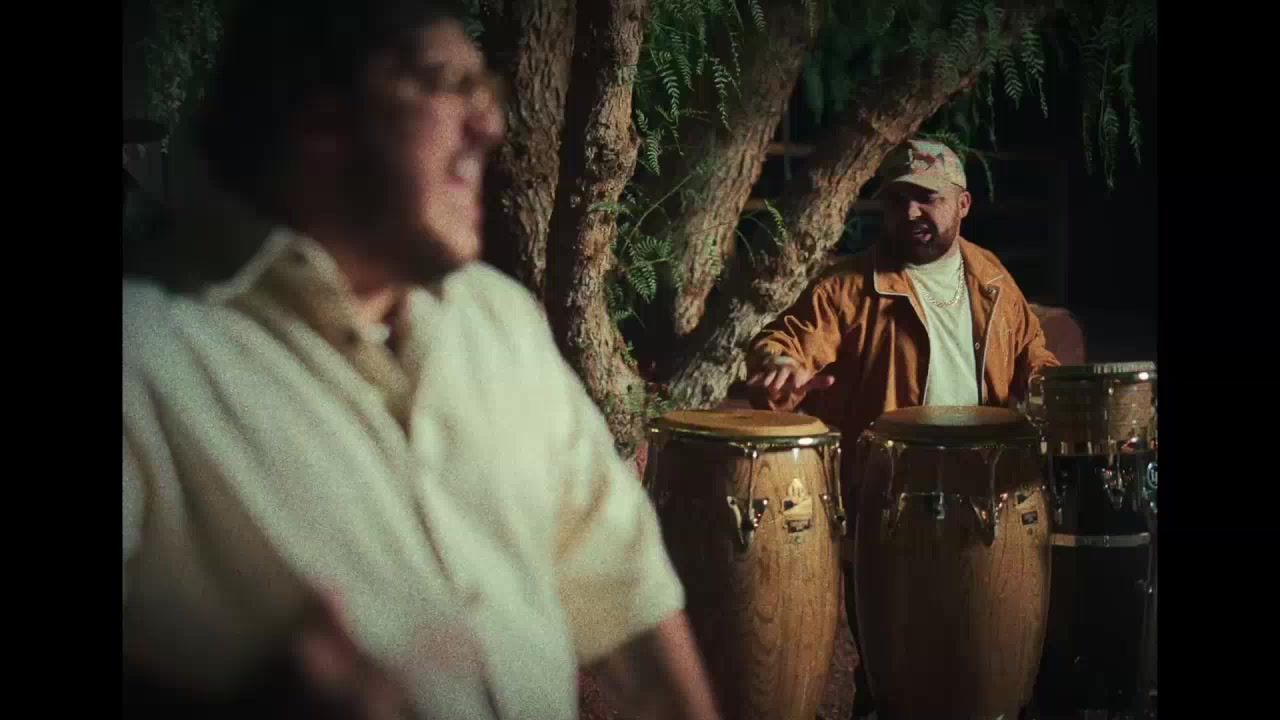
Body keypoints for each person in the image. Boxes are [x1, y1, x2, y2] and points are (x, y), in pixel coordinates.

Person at [121, 2, 722, 719]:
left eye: (485, 92)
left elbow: (621, 581)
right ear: (320, 113)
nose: (490, 127)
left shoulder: (499, 321)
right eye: (446, 84)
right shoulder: (144, 356)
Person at [743, 138, 1059, 719]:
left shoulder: (991, 279)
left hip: (987, 501)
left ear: (962, 204)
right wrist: (779, 364)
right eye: (896, 200)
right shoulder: (848, 287)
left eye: (926, 198)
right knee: (895, 673)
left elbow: (1032, 355)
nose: (910, 212)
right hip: (891, 504)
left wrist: (1047, 386)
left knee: (978, 661)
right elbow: (784, 340)